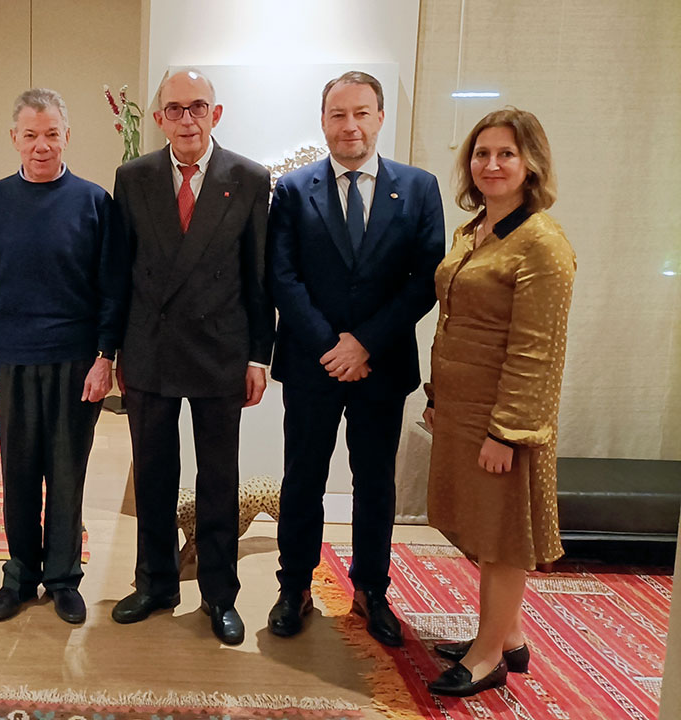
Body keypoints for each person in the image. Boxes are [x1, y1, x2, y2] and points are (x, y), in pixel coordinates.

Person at [266, 71, 444, 648]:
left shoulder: (419, 188)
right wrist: (330, 345)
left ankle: (371, 588)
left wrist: (363, 342)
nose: (350, 126)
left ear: (380, 118)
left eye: (361, 113)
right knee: (303, 480)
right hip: (313, 364)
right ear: (323, 121)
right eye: (338, 114)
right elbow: (282, 277)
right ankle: (293, 588)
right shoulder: (293, 190)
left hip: (382, 364)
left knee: (375, 484)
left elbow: (425, 281)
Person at [110, 69, 274, 646]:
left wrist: (259, 355)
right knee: (153, 474)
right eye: (174, 109)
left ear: (216, 114)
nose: (186, 119)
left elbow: (260, 277)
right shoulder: (134, 178)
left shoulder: (249, 179)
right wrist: (112, 351)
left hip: (220, 351)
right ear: (158, 118)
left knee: (218, 478)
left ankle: (218, 594)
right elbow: (118, 273)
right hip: (149, 348)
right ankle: (155, 583)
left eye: (197, 107)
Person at [423, 108, 574, 697]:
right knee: (482, 527)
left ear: (530, 163)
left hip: (503, 417)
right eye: (481, 153)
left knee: (504, 535)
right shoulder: (474, 230)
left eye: (506, 154)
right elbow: (454, 320)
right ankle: (508, 636)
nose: (491, 164)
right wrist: (438, 396)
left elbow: (540, 352)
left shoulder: (543, 243)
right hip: (461, 409)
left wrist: (508, 432)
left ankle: (488, 657)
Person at [0, 88, 127, 624]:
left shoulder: (93, 202)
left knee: (66, 473)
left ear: (67, 136)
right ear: (14, 138)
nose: (42, 145)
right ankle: (19, 574)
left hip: (75, 361)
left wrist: (105, 355)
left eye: (52, 134)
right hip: (13, 359)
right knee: (18, 472)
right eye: (31, 135)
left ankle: (63, 577)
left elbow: (112, 288)